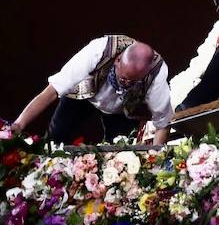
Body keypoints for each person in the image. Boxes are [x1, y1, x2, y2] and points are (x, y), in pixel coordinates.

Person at [9, 35, 172, 145]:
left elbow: (163, 123)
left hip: (123, 109)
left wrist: (155, 161)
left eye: (133, 81)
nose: (126, 84)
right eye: (123, 79)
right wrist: (19, 124)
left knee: (122, 155)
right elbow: (51, 91)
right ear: (117, 60)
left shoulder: (157, 73)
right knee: (55, 138)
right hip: (84, 95)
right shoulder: (99, 50)